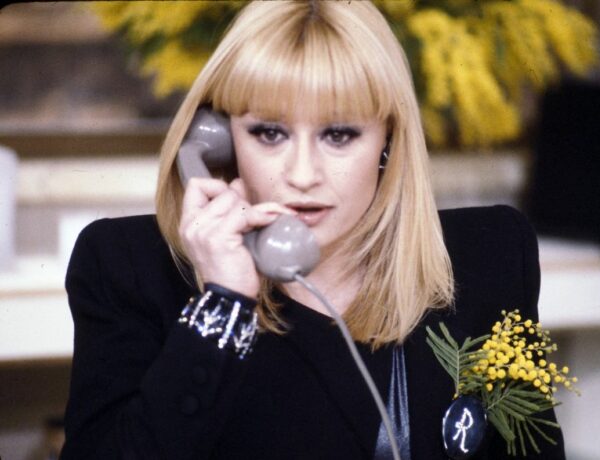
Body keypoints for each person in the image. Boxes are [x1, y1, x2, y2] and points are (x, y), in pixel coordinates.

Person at [60, 1, 565, 459]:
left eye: (338, 134)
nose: (302, 175)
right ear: (220, 137)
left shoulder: (492, 255)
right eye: (269, 133)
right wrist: (224, 305)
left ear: (389, 137)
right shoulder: (128, 268)